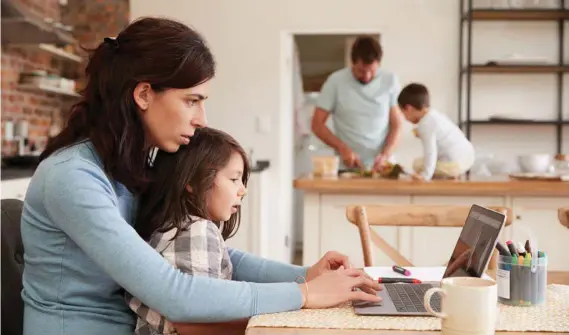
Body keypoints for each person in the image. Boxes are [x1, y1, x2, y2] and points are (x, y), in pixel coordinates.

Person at [20, 17, 381, 335]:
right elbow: (174, 293)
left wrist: (306, 275)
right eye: (192, 100)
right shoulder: (74, 178)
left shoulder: (133, 168)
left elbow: (217, 255)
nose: (202, 118)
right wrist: (304, 295)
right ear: (144, 94)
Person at [126, 127, 250, 334]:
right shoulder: (197, 230)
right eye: (234, 179)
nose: (243, 190)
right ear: (192, 181)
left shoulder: (170, 227)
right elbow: (195, 321)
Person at [311, 35, 403, 172]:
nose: (366, 76)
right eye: (361, 71)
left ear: (379, 63)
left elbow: (397, 124)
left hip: (382, 167)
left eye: (372, 71)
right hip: (346, 167)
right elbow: (317, 124)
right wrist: (341, 148)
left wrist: (385, 154)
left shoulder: (390, 81)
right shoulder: (335, 81)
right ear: (352, 63)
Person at [397, 83, 475, 181]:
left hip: (455, 164)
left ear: (409, 108)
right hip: (468, 157)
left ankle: (447, 174)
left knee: (417, 164)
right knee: (426, 163)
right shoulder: (434, 115)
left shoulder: (425, 125)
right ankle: (449, 174)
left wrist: (425, 176)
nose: (405, 118)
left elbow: (430, 152)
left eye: (403, 113)